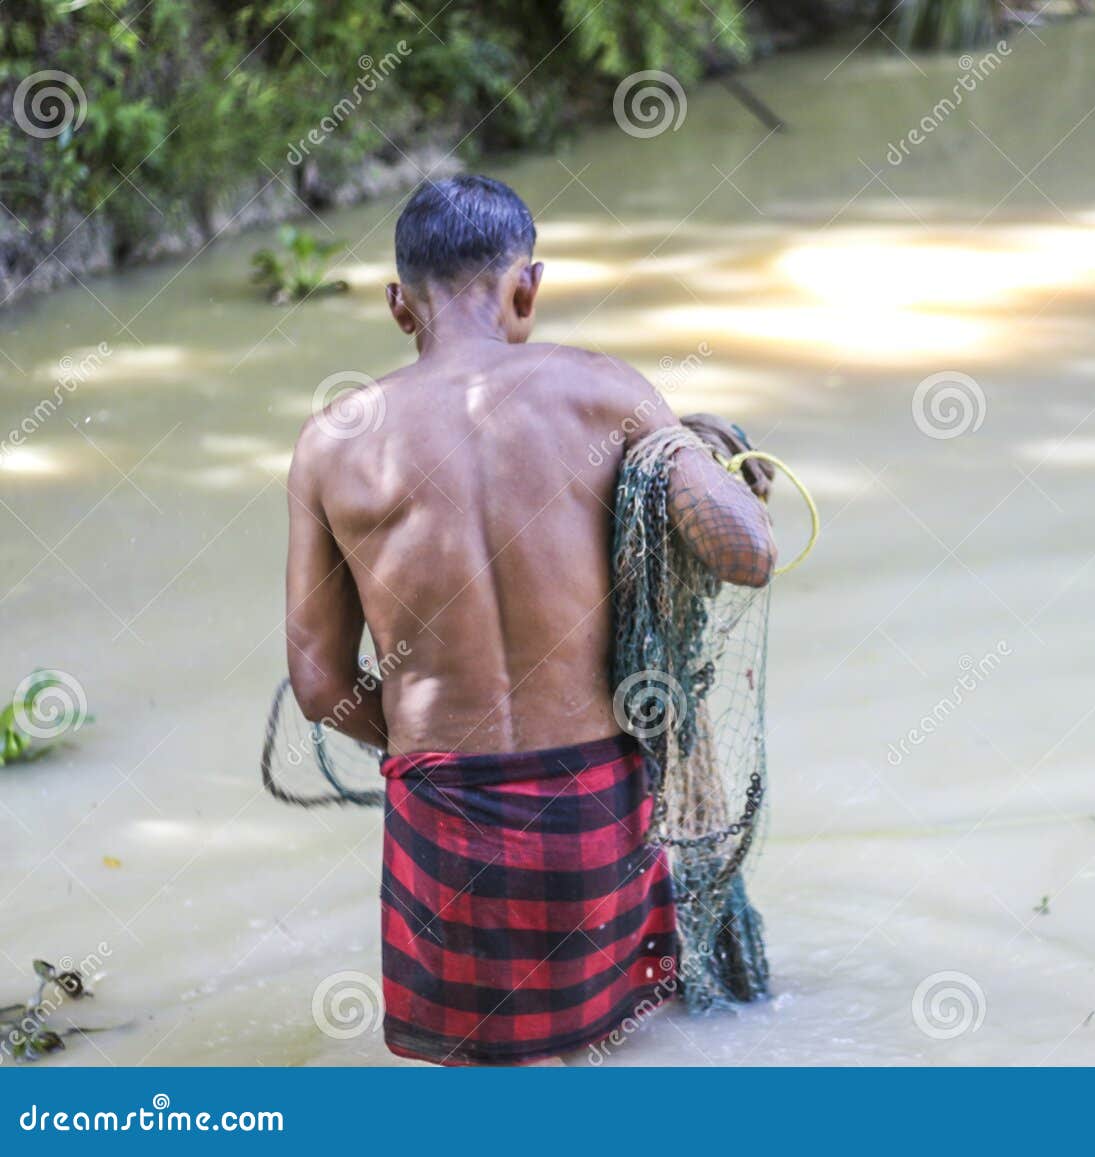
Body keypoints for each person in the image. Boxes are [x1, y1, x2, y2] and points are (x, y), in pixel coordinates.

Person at [284, 174, 775, 1065]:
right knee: (621, 1055)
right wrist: (684, 451)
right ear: (527, 288)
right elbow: (749, 552)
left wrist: (424, 750)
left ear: (400, 307)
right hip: (594, 802)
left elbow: (319, 684)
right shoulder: (603, 393)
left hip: (445, 813)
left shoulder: (333, 441)